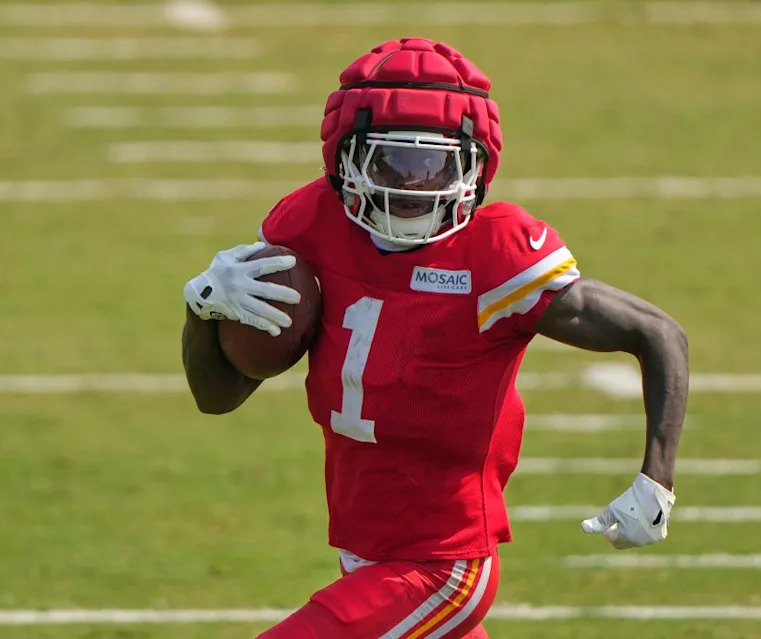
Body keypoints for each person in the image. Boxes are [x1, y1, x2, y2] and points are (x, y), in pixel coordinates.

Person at [181, 38, 689, 639]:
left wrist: (656, 480)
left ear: (475, 166)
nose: (414, 186)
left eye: (436, 165)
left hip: (442, 565)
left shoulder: (494, 258)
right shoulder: (310, 227)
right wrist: (201, 309)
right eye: (391, 163)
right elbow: (218, 397)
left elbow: (658, 333)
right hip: (362, 546)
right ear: (345, 159)